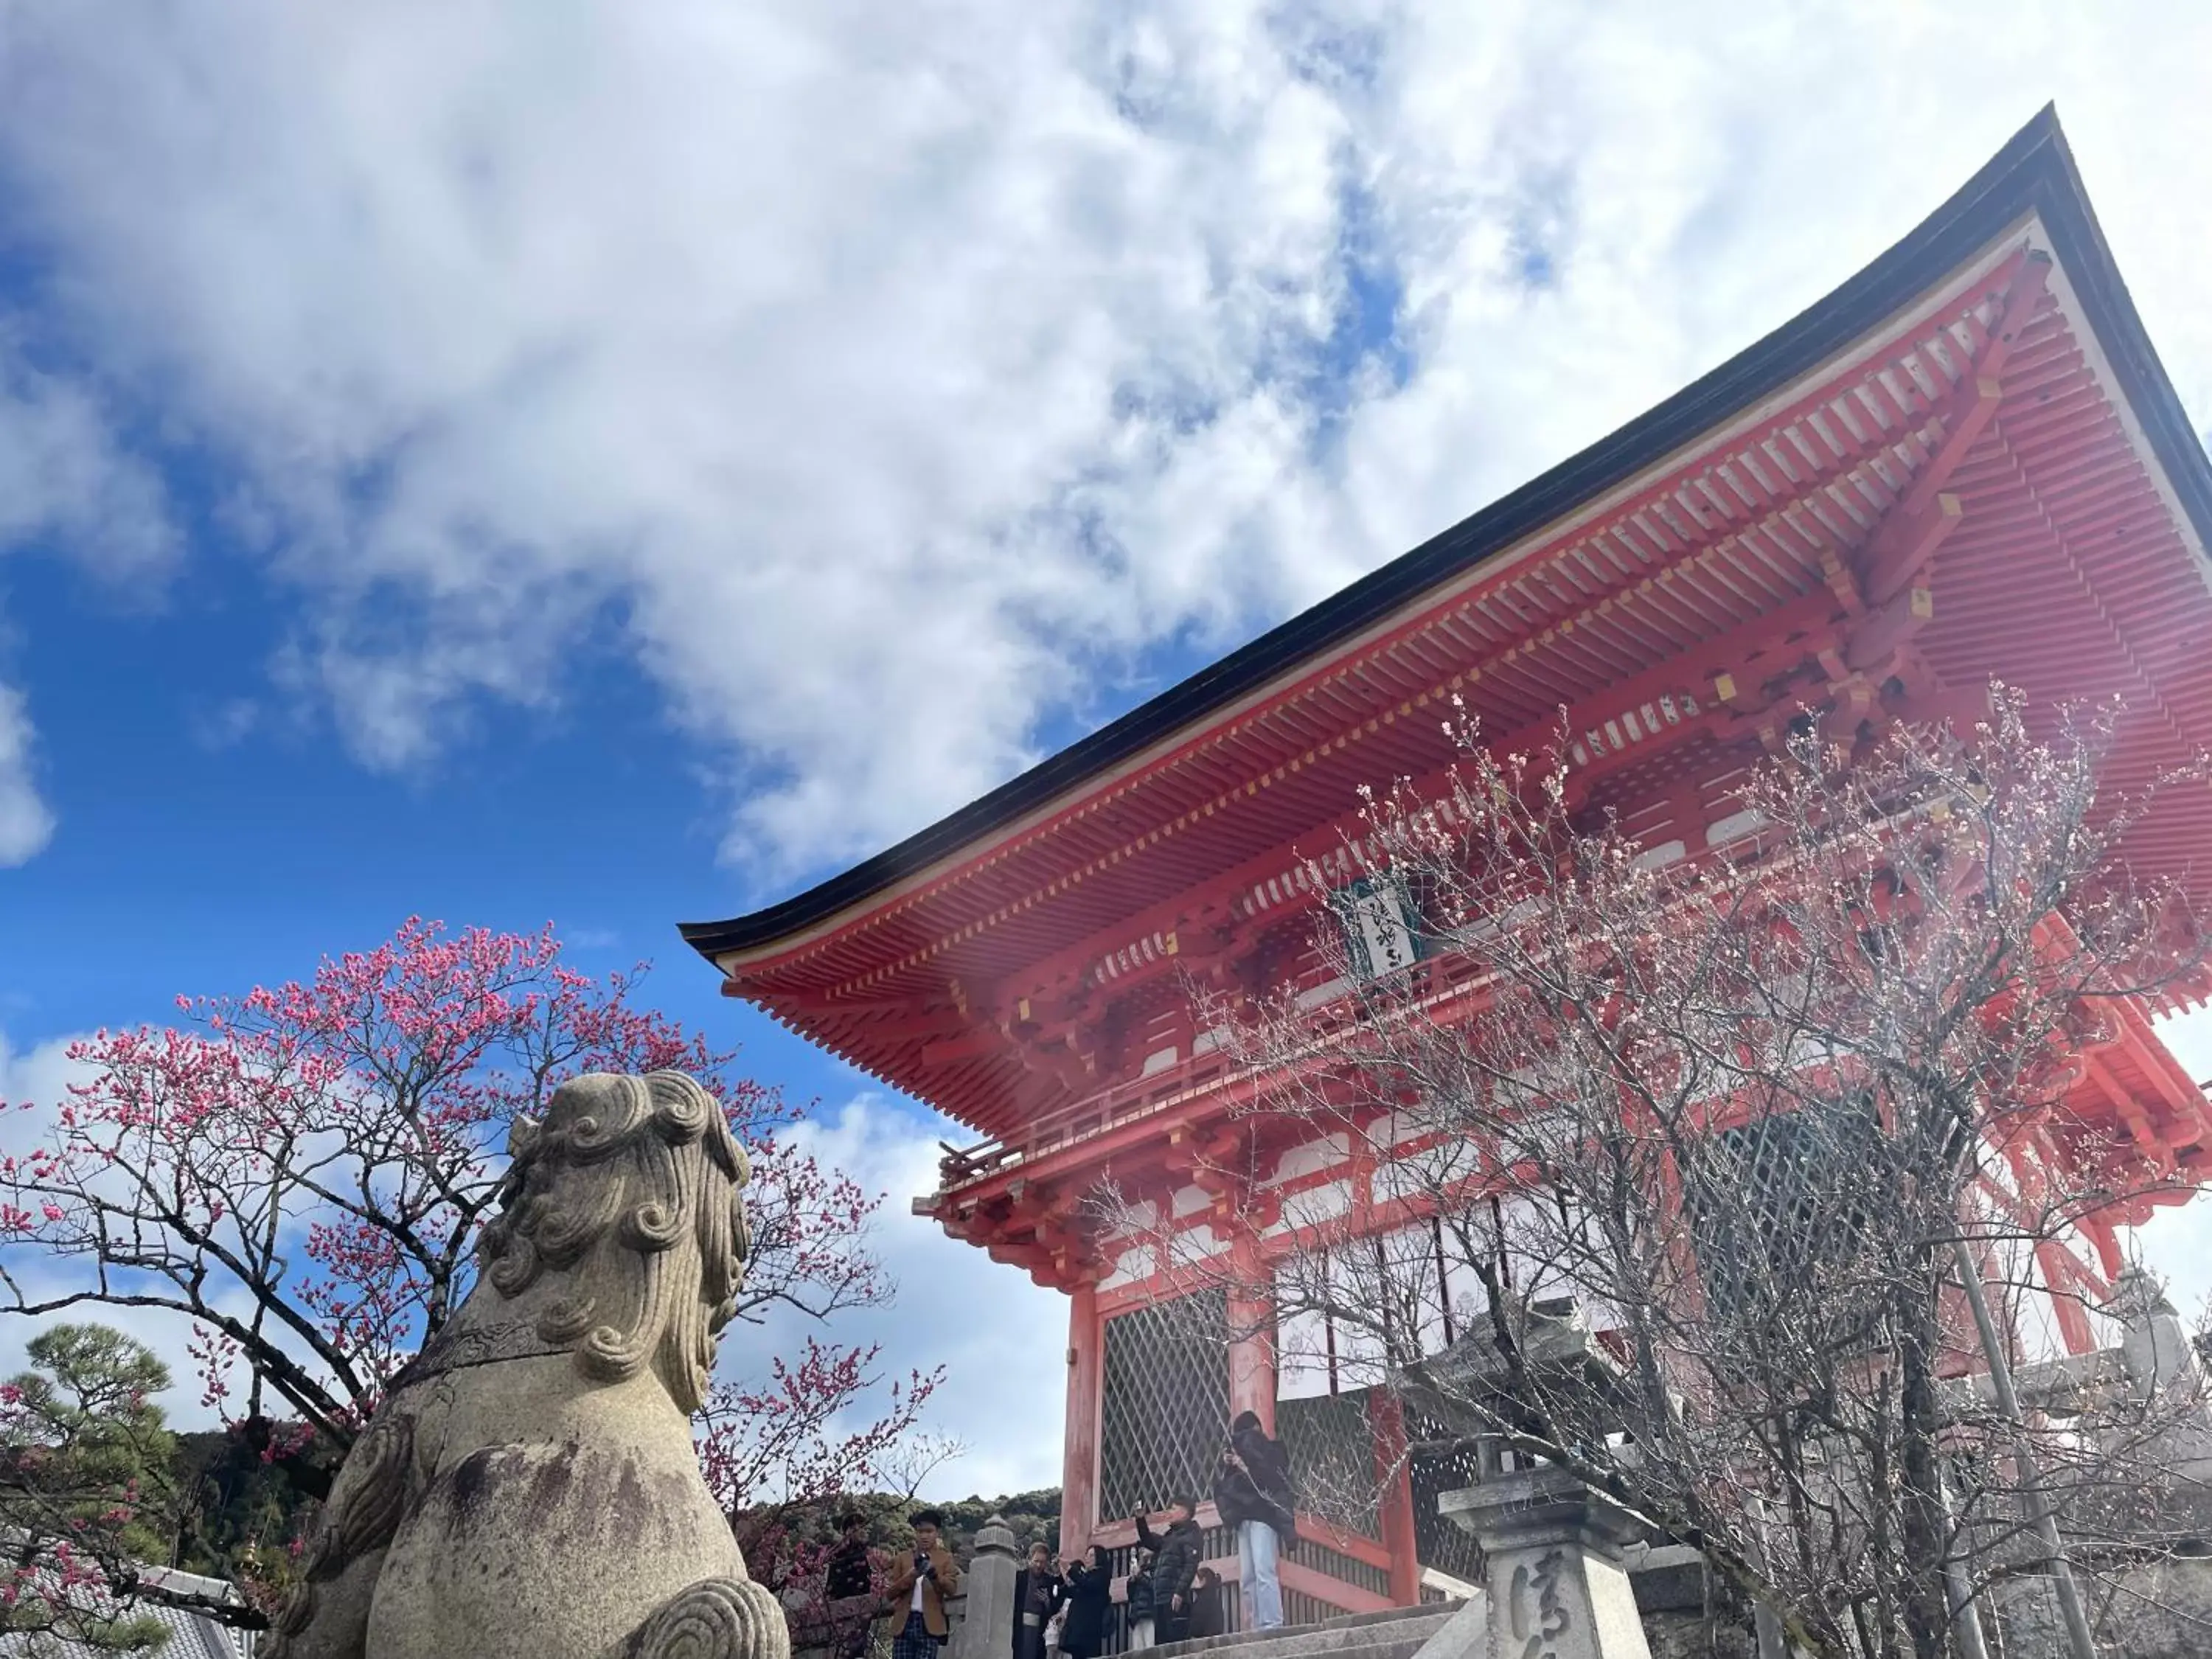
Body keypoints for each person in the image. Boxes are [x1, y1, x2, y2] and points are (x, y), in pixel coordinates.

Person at [1211, 1410, 1295, 1632]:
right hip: (1244, 1519)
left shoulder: (1272, 1451)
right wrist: (1229, 1467)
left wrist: (1246, 1467)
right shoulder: (1238, 1456)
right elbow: (1227, 1491)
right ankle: (1259, 1623)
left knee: (1263, 1570)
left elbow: (1272, 1482)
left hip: (1264, 1517)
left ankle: (1272, 1624)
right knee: (1248, 1576)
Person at [888, 1506, 963, 1659]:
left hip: (930, 1624)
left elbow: (952, 1589)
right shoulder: (903, 1558)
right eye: (920, 1531)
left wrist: (934, 1575)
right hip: (904, 1622)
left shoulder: (945, 1558)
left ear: (937, 1533)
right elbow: (890, 1592)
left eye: (929, 1532)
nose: (924, 1536)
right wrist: (913, 1574)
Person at [1132, 1498, 1202, 1644]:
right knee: (1162, 1647)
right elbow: (1148, 1540)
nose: (1170, 1513)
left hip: (1175, 1598)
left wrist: (1180, 1591)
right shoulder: (1170, 1537)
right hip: (1160, 1599)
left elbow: (1191, 1565)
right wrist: (1140, 1519)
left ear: (1185, 1512)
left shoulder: (1191, 1534)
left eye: (1174, 1509)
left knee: (1176, 1644)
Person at [824, 1509, 877, 1659]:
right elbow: (831, 1586)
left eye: (862, 1528)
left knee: (858, 1649)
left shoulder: (868, 1554)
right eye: (854, 1529)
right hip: (841, 1612)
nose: (859, 1532)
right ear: (846, 1532)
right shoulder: (838, 1557)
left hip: (863, 1611)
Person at [1057, 1546, 1112, 1659]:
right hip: (1077, 1627)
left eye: (1092, 1556)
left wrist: (1070, 1570)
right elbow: (1073, 1591)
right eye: (1087, 1555)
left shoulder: (1102, 1575)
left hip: (1089, 1627)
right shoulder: (1086, 1576)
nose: (1087, 1558)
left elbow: (1087, 1585)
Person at [1012, 1541, 1064, 1659]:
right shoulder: (1020, 1577)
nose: (1039, 1566)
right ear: (1030, 1559)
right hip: (1020, 1625)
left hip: (1040, 1628)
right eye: (1036, 1561)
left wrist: (1047, 1602)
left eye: (1043, 1562)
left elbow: (1056, 1607)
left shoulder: (1049, 1581)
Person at [1121, 1546, 1157, 1652]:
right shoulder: (1140, 1569)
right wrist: (1132, 1581)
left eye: (1145, 1547)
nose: (1141, 1550)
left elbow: (1155, 1587)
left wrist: (1140, 1576)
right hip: (1137, 1614)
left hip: (1151, 1613)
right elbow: (1131, 1596)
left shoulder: (1156, 1567)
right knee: (1138, 1650)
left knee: (1150, 1648)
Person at [1186, 1567, 1227, 1640]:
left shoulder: (1202, 1601)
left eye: (1196, 1579)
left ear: (1204, 1580)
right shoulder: (1214, 1598)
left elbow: (1195, 1628)